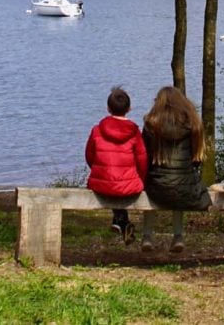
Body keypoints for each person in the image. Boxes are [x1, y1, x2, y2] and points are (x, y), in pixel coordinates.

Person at [140, 86, 211, 253]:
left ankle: (147, 237)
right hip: (184, 186)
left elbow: (145, 156)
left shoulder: (151, 125)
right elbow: (196, 159)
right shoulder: (192, 125)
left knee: (152, 185)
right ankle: (178, 236)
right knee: (180, 183)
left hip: (157, 185)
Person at [85, 86, 148, 244]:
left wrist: (101, 171)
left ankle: (120, 221)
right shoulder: (134, 132)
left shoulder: (97, 130)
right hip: (128, 186)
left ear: (108, 108)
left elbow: (89, 156)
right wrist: (142, 180)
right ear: (129, 108)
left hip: (101, 184)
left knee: (113, 184)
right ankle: (122, 222)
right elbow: (142, 160)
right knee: (121, 184)